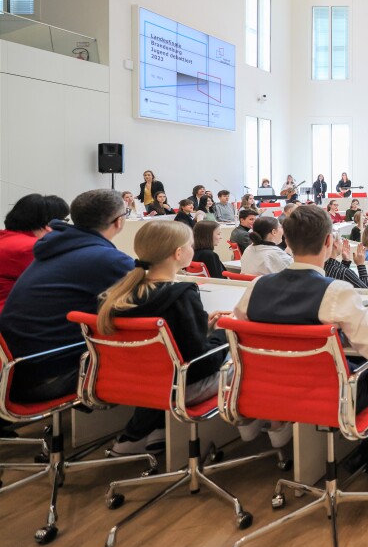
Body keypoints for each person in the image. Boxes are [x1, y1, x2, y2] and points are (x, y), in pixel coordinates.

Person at [233, 205, 368, 469]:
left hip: (271, 389)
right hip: (328, 395)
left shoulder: (256, 287)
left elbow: (243, 331)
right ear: (329, 242)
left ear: (287, 240)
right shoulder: (336, 292)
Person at [95, 220, 237, 454]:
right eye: (191, 245)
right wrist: (226, 331)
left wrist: (202, 324)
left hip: (129, 382)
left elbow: (169, 341)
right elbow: (201, 364)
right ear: (179, 253)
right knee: (242, 355)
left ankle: (152, 431)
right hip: (179, 386)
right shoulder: (181, 295)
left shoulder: (116, 295)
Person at [0, 190, 134, 404]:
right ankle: (143, 433)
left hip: (17, 371)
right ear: (119, 221)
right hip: (47, 375)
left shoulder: (52, 250)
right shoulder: (109, 260)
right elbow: (153, 301)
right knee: (154, 352)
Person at [0, 194, 71, 311]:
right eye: (64, 220)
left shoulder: (5, 237)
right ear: (48, 222)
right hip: (13, 318)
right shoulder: (30, 248)